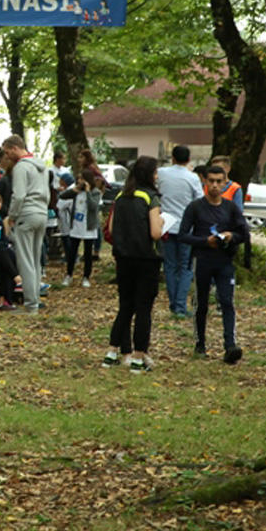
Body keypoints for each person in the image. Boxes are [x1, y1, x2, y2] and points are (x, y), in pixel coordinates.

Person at [177, 164, 251, 364]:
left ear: (225, 183)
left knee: (227, 301)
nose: (215, 185)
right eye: (211, 181)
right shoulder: (195, 207)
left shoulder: (231, 207)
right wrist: (204, 241)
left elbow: (244, 233)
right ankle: (200, 343)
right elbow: (183, 235)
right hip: (202, 260)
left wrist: (230, 236)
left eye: (219, 181)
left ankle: (230, 345)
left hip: (225, 261)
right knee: (201, 303)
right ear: (205, 182)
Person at [104, 156, 164, 373]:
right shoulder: (150, 198)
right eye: (156, 172)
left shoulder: (121, 196)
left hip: (123, 258)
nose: (157, 176)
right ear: (149, 175)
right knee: (144, 309)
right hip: (146, 260)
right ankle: (139, 357)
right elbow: (155, 232)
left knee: (125, 306)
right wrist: (162, 222)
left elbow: (110, 229)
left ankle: (111, 353)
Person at [2, 135, 50, 313]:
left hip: (26, 213)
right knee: (36, 260)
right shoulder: (42, 166)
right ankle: (35, 300)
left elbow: (19, 195)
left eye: (7, 152)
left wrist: (12, 215)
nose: (7, 157)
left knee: (25, 261)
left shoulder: (21, 167)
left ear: (15, 148)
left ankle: (30, 304)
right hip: (42, 212)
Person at [156, 145, 203, 317]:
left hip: (166, 226)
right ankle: (180, 306)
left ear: (172, 158)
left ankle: (173, 303)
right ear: (188, 160)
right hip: (187, 227)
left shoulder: (161, 173)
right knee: (186, 267)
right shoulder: (193, 178)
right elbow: (199, 201)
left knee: (169, 266)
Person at [58, 168, 104, 287]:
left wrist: (88, 192)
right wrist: (76, 189)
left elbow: (94, 206)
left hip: (89, 226)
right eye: (79, 179)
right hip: (76, 226)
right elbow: (62, 196)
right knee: (73, 251)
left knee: (88, 253)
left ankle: (86, 276)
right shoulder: (76, 191)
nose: (80, 181)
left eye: (82, 179)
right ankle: (69, 275)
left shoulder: (95, 192)